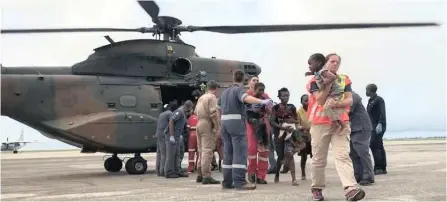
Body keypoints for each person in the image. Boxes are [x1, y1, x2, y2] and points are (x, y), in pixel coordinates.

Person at [306, 53, 365, 201]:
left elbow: (349, 100)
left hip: (341, 122)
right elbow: (319, 99)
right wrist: (328, 85)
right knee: (319, 159)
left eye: (338, 62)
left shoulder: (344, 79)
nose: (335, 64)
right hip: (320, 124)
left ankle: (350, 188)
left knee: (343, 155)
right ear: (325, 63)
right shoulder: (315, 80)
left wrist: (337, 104)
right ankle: (317, 188)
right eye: (332, 61)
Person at [217, 70, 273, 190]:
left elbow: (217, 108)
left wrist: (219, 123)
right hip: (236, 123)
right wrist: (262, 101)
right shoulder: (239, 90)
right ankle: (240, 182)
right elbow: (246, 98)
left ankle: (227, 182)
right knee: (240, 153)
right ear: (244, 80)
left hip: (224, 124)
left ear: (233, 78)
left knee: (228, 153)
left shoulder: (225, 92)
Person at [307, 53, 347, 134]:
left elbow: (333, 77)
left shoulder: (323, 71)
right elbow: (318, 75)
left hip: (335, 93)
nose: (309, 66)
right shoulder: (318, 72)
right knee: (327, 107)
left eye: (310, 64)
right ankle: (337, 123)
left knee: (327, 107)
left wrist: (326, 83)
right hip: (332, 94)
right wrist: (310, 73)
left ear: (318, 63)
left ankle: (340, 124)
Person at [270, 87, 303, 186]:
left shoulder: (292, 107)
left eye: (287, 95)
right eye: (284, 96)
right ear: (279, 97)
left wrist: (292, 122)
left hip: (290, 133)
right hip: (279, 135)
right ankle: (277, 175)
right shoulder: (275, 108)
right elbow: (272, 122)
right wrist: (283, 127)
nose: (286, 97)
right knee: (280, 156)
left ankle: (294, 179)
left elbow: (296, 120)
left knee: (290, 154)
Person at [195, 80, 221, 184]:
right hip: (207, 123)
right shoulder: (212, 97)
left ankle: (199, 174)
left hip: (199, 122)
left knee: (201, 149)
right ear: (216, 89)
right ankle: (206, 175)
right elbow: (213, 113)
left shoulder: (201, 97)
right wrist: (216, 126)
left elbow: (195, 111)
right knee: (207, 150)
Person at [246, 82, 271, 184]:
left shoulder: (265, 97)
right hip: (251, 125)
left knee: (263, 151)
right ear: (253, 88)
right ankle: (251, 173)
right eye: (259, 90)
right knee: (252, 149)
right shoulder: (247, 96)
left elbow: (270, 109)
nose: (261, 92)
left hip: (262, 123)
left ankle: (261, 176)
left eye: (262, 90)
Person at [349, 91, 375, 185]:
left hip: (361, 127)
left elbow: (347, 110)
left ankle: (368, 175)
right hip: (353, 129)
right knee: (353, 153)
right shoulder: (344, 96)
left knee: (362, 152)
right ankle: (358, 175)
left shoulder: (352, 96)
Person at [165, 100, 194, 178]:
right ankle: (169, 172)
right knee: (171, 155)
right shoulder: (179, 111)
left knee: (177, 154)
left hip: (177, 137)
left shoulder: (183, 113)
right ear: (189, 107)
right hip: (172, 136)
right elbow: (171, 121)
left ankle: (178, 171)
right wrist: (171, 135)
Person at [366, 83, 388, 175]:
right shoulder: (370, 100)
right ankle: (382, 167)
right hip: (372, 126)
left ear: (371, 90)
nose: (366, 92)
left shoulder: (379, 100)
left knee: (375, 145)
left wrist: (380, 123)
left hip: (379, 125)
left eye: (367, 90)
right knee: (378, 145)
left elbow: (382, 112)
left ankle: (378, 167)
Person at [156, 101, 178, 177]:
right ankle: (162, 171)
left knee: (159, 154)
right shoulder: (170, 114)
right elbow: (172, 123)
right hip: (163, 135)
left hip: (158, 134)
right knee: (164, 154)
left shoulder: (161, 114)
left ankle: (158, 171)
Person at [296, 94, 312, 180]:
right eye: (305, 100)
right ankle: (303, 173)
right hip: (303, 135)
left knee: (315, 155)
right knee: (304, 155)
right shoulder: (298, 111)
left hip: (313, 135)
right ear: (301, 102)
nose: (307, 102)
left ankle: (316, 173)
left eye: (308, 100)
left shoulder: (313, 109)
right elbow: (297, 124)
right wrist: (301, 128)